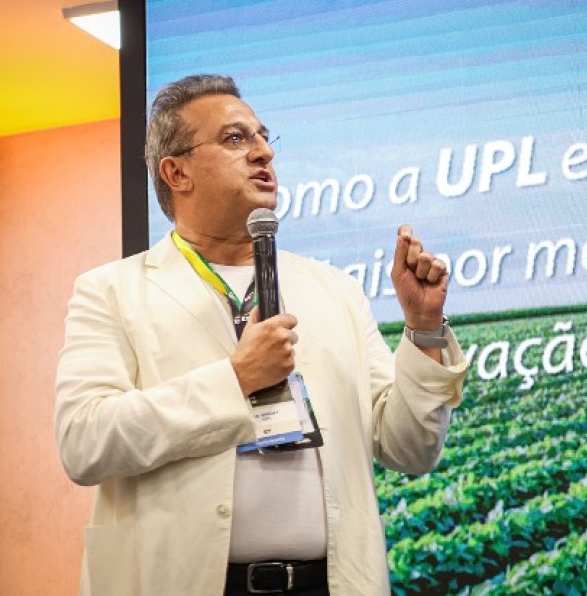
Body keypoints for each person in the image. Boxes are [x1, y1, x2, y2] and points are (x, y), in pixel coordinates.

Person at [54, 74, 468, 596]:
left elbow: (410, 449)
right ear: (176, 172)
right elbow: (84, 441)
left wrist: (424, 329)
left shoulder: (334, 290)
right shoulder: (112, 291)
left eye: (264, 137)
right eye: (235, 138)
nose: (263, 153)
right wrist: (235, 379)